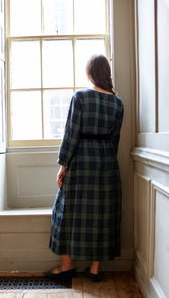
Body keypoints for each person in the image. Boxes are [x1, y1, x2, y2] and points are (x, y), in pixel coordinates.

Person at [47, 54, 124, 282]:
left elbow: (71, 134)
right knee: (103, 213)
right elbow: (115, 140)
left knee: (69, 212)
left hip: (81, 162)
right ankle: (95, 269)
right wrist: (107, 159)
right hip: (107, 162)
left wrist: (63, 166)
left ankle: (67, 265)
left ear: (90, 73)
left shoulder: (80, 97)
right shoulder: (117, 103)